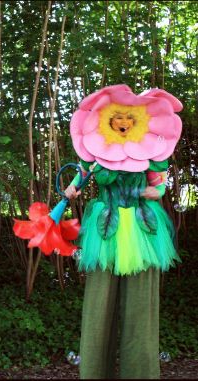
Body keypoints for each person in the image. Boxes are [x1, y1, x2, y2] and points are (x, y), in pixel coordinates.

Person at [65, 85, 182, 379]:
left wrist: (150, 191)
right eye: (118, 117)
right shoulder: (94, 149)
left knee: (141, 303)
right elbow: (81, 176)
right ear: (105, 120)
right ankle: (93, 372)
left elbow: (160, 185)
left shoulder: (152, 149)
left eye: (129, 118)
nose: (124, 123)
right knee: (99, 301)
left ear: (139, 120)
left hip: (142, 227)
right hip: (105, 225)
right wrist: (71, 189)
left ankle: (140, 372)